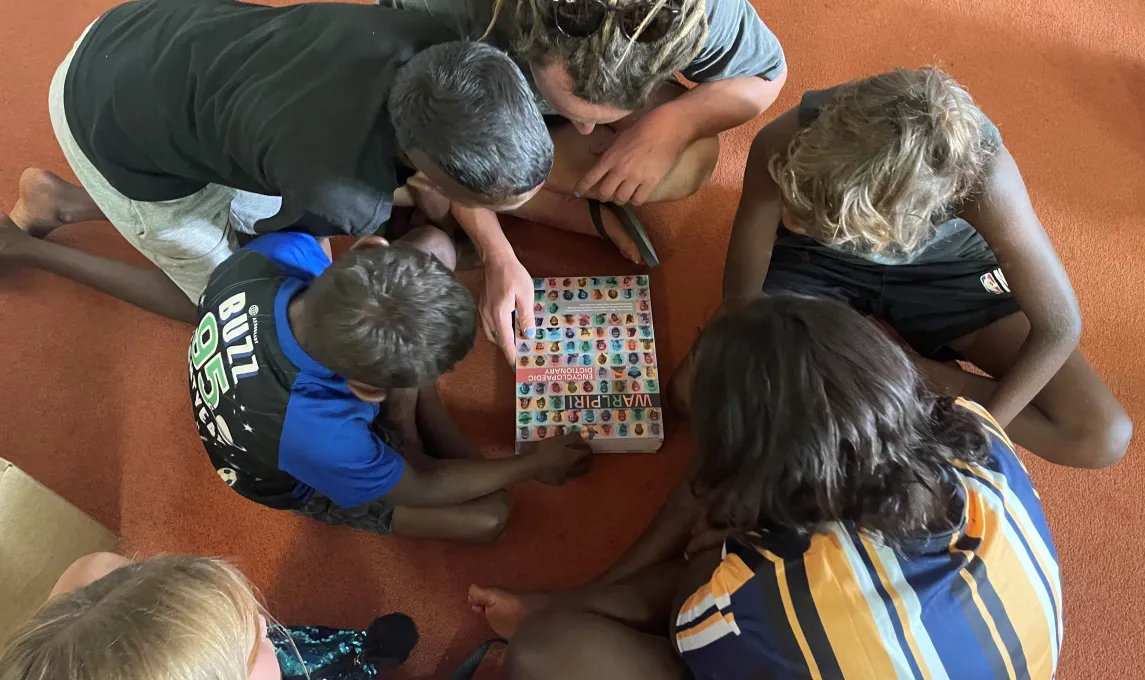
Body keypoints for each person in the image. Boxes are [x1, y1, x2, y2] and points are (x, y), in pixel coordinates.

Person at [469, 294, 1064, 680]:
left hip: (772, 616)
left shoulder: (750, 601)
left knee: (549, 653)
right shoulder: (976, 432)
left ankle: (565, 608)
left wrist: (714, 557)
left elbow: (690, 617)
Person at [672, 66, 1131, 469]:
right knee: (694, 390)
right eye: (796, 203)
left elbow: (1060, 325)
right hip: (819, 265)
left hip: (948, 272)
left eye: (810, 214)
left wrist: (976, 428)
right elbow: (741, 304)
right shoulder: (785, 139)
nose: (788, 219)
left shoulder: (986, 180)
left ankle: (890, 366)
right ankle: (875, 366)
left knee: (1100, 435)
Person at [2, 0, 551, 324]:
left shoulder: (440, 45)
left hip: (136, 33)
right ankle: (26, 245)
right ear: (428, 175)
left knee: (245, 189)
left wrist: (491, 249)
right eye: (480, 205)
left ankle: (67, 199)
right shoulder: (341, 194)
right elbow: (278, 245)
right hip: (103, 126)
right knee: (233, 305)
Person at [384, 0, 787, 364]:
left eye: (602, 117)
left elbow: (767, 75)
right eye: (575, 112)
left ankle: (531, 195)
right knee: (419, 172)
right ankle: (555, 207)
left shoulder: (702, 9)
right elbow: (440, 144)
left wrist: (672, 127)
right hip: (448, 105)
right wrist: (497, 254)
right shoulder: (440, 11)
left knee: (693, 160)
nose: (587, 130)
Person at [190, 224, 592, 543]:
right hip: (294, 470)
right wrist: (532, 464)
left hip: (282, 391)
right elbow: (420, 486)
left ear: (367, 248)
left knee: (436, 244)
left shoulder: (274, 253)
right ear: (367, 391)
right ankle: (412, 423)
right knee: (488, 515)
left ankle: (410, 418)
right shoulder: (322, 436)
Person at [0, 552, 420, 680]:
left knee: (292, 648)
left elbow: (94, 570)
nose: (260, 620)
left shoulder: (91, 579)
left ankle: (361, 650)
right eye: (249, 650)